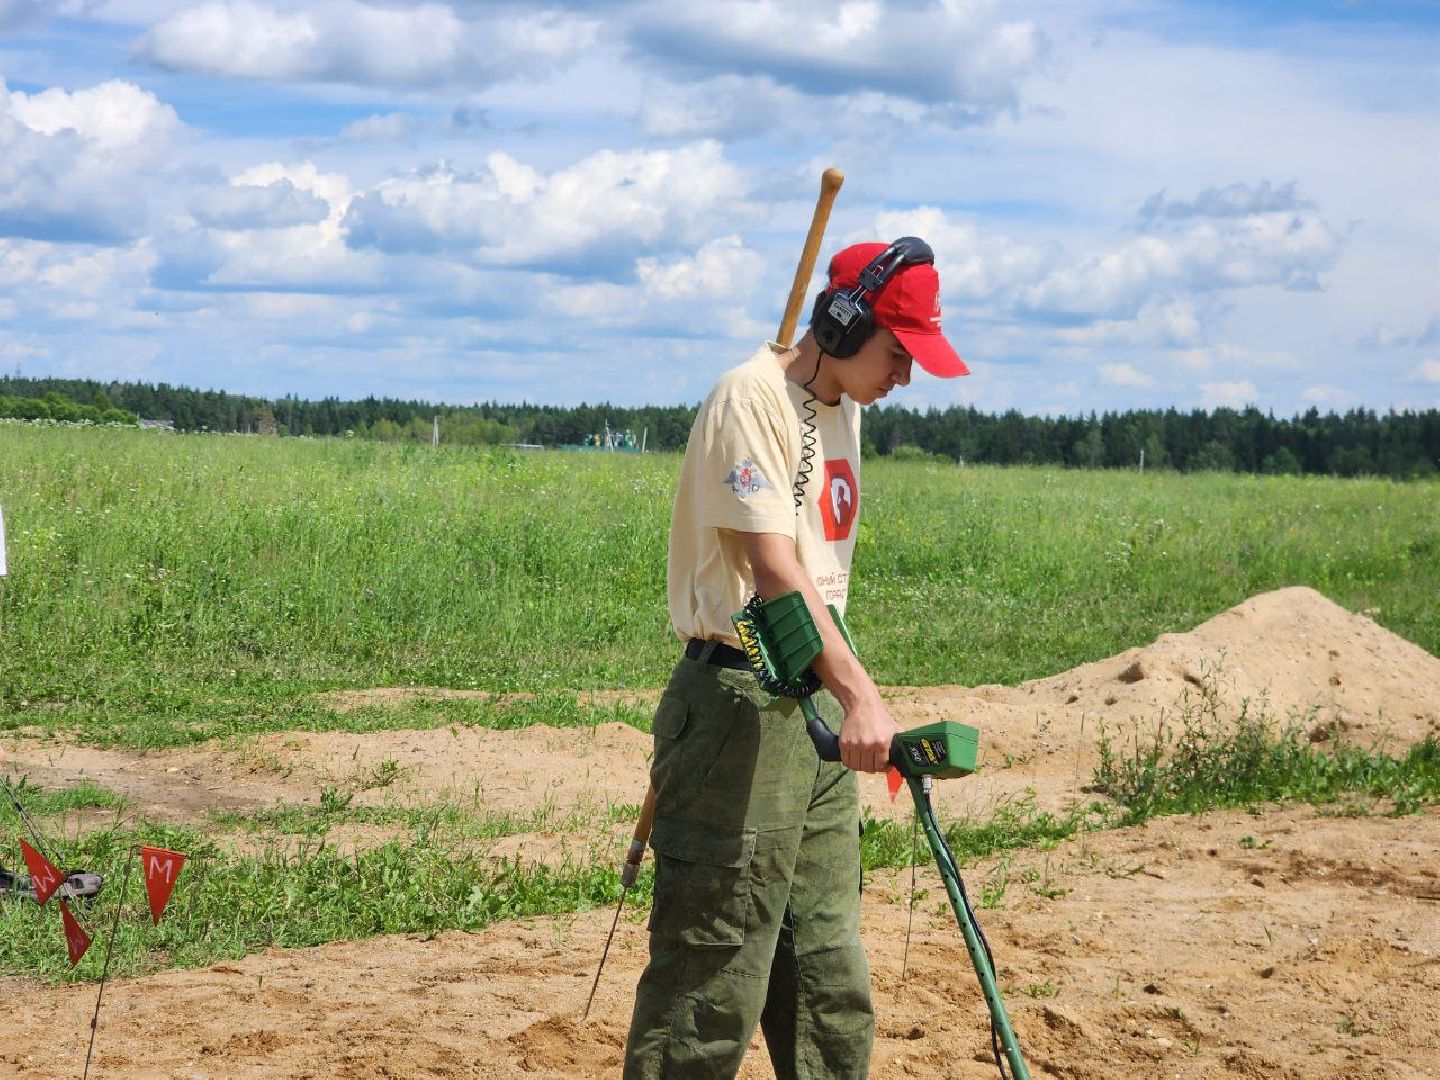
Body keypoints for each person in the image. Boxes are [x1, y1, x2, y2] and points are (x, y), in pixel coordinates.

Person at [623, 238, 967, 1079]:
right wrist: (863, 699)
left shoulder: (842, 407)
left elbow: (819, 574)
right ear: (844, 326)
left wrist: (842, 692)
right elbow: (775, 573)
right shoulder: (749, 399)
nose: (906, 378)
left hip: (811, 710)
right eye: (898, 354)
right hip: (739, 704)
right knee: (712, 981)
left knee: (827, 977)